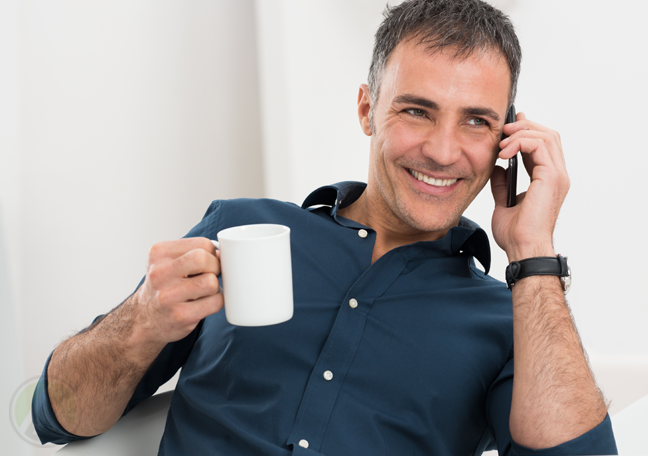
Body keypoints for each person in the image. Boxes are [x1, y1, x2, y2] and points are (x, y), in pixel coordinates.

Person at [33, 0, 617, 454]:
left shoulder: (508, 316)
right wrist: (141, 321)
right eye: (416, 110)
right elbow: (53, 417)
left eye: (476, 122)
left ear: (504, 142)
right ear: (367, 109)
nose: (443, 151)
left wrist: (533, 248)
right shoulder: (237, 229)